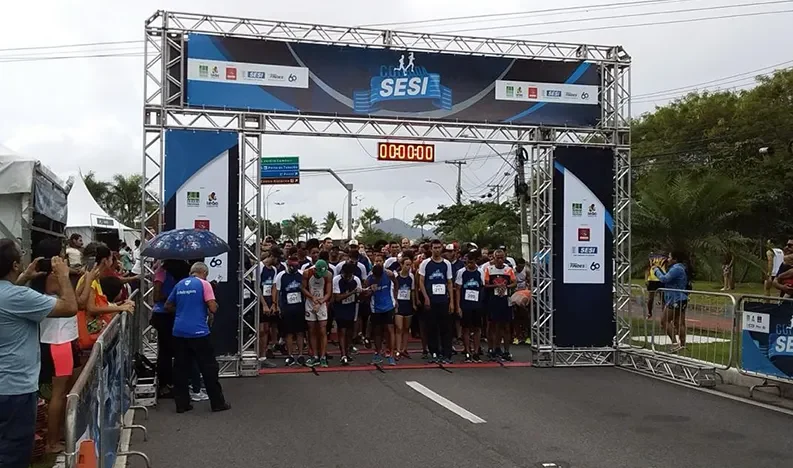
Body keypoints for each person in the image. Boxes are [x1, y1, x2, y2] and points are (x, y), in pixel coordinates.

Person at [0, 239, 78, 468]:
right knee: (13, 453)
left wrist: (23, 278)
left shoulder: (13, 294)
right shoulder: (17, 298)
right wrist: (64, 275)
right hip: (15, 388)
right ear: (15, 265)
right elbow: (70, 308)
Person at [30, 239, 85, 454]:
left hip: (63, 338)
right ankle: (52, 442)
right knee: (59, 393)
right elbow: (73, 302)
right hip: (57, 341)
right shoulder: (52, 278)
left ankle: (60, 433)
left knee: (67, 390)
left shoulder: (46, 277)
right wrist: (66, 274)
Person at [165, 262, 230, 413]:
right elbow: (212, 307)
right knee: (208, 368)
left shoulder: (180, 284)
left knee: (181, 369)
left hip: (179, 331)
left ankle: (182, 404)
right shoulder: (204, 284)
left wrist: (181, 310)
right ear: (204, 273)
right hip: (199, 332)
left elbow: (168, 305)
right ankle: (217, 403)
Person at [417, 239, 454, 364]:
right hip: (431, 300)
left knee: (445, 328)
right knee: (431, 328)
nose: (437, 250)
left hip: (443, 300)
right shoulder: (425, 263)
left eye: (439, 247)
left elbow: (449, 282)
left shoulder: (447, 264)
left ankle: (446, 354)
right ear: (431, 249)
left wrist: (452, 302)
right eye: (435, 247)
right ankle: (434, 352)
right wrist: (426, 297)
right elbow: (421, 281)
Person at [652, 251, 691, 353]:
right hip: (681, 298)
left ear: (675, 259)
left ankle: (674, 343)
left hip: (675, 299)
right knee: (679, 323)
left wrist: (656, 271)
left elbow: (664, 279)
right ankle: (682, 344)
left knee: (664, 321)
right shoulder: (681, 268)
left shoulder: (677, 269)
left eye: (669, 258)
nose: (668, 260)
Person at [273, 255, 307, 366]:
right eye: (291, 266)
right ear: (287, 265)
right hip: (286, 308)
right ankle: (290, 355)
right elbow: (277, 291)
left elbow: (306, 290)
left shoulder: (302, 274)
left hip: (299, 307)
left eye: (295, 266)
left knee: (300, 332)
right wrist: (276, 305)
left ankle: (301, 354)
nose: (293, 268)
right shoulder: (281, 275)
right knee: (288, 333)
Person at [483, 250, 517, 361]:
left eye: (502, 257)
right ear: (493, 258)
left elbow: (514, 282)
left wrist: (506, 286)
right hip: (493, 300)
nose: (500, 260)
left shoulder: (508, 269)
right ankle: (492, 349)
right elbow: (486, 284)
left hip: (505, 300)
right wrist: (496, 286)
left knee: (506, 326)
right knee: (493, 325)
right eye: (497, 257)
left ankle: (506, 351)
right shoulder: (489, 269)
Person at [366, 256, 398, 366]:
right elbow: (364, 293)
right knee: (377, 331)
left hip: (388, 305)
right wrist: (370, 290)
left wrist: (395, 297)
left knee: (390, 329)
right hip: (376, 308)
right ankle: (378, 352)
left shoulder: (389, 274)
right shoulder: (370, 278)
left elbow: (396, 283)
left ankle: (391, 354)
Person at [302, 259, 332, 368]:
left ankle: (323, 356)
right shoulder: (307, 273)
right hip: (310, 303)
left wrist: (321, 301)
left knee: (322, 329)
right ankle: (314, 355)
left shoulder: (328, 275)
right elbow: (303, 288)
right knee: (312, 330)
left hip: (322, 303)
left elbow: (329, 292)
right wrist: (312, 297)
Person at [456, 250, 485, 362]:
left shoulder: (480, 272)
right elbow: (458, 289)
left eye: (471, 262)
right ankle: (467, 351)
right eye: (467, 263)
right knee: (466, 328)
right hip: (465, 304)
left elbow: (482, 286)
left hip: (477, 304)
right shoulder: (461, 272)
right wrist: (458, 306)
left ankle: (476, 351)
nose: (469, 265)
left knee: (477, 328)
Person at [332, 262, 362, 365]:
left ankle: (348, 351)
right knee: (342, 331)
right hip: (340, 308)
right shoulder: (336, 280)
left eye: (350, 275)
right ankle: (343, 354)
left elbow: (359, 296)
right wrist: (352, 292)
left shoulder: (356, 280)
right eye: (346, 275)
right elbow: (337, 298)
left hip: (351, 307)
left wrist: (364, 292)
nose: (348, 277)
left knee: (350, 331)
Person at [258, 254, 279, 368]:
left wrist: (273, 304)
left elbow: (274, 287)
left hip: (269, 300)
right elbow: (257, 286)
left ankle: (263, 356)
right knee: (260, 330)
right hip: (260, 302)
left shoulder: (274, 269)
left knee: (266, 329)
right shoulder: (260, 266)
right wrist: (264, 304)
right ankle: (258, 355)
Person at [394, 257, 416, 359]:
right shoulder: (396, 276)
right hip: (399, 304)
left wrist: (414, 303)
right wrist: (395, 302)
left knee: (406, 328)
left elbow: (412, 291)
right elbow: (394, 290)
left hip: (408, 304)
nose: (408, 267)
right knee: (399, 328)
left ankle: (404, 349)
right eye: (406, 264)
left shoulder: (411, 276)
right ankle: (397, 350)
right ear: (402, 265)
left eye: (409, 265)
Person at [646, 252, 667, 319]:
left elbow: (667, 266)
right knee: (650, 298)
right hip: (652, 279)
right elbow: (648, 268)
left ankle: (664, 316)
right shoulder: (650, 256)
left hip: (661, 278)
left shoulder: (664, 256)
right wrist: (646, 278)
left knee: (663, 299)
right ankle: (649, 313)